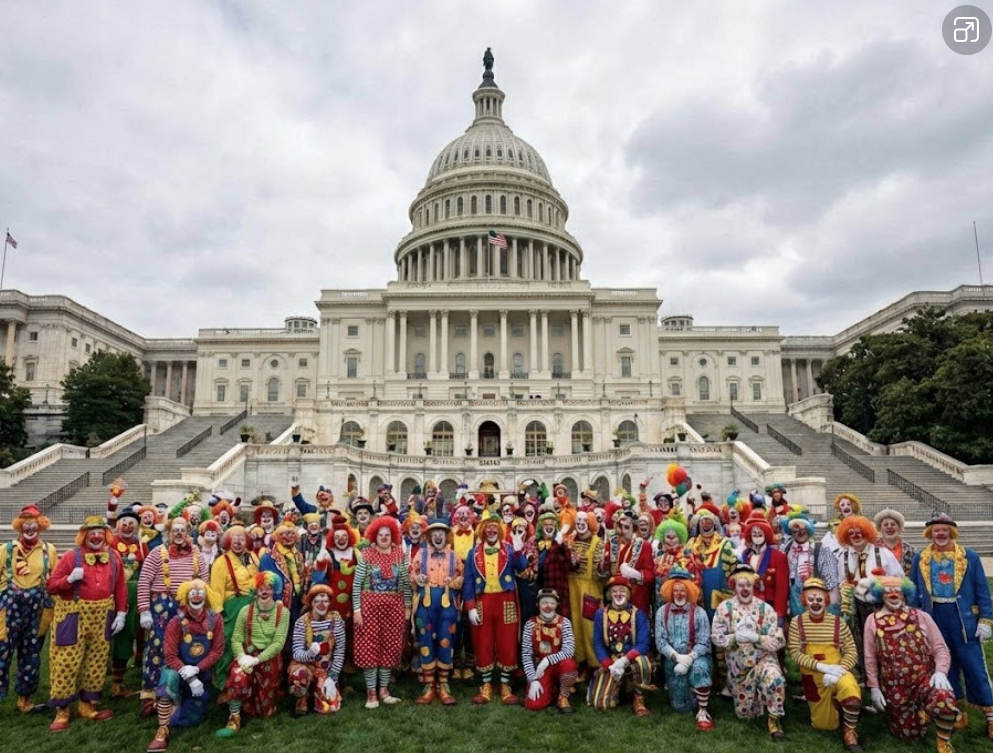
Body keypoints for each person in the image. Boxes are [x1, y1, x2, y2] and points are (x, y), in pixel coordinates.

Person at [910, 512, 993, 738]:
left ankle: (990, 714)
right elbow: (914, 589)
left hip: (962, 618)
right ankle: (955, 710)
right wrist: (916, 618)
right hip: (934, 617)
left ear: (952, 532)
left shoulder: (969, 556)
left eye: (944, 530)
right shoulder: (920, 557)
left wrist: (985, 619)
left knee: (974, 665)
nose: (940, 534)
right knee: (944, 664)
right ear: (930, 533)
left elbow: (982, 589)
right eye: (936, 530)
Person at [46, 516, 128, 732]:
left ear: (106, 535)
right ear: (84, 536)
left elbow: (120, 587)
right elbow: (51, 586)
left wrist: (121, 613)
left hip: (102, 616)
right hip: (73, 615)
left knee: (97, 661)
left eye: (100, 532)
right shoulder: (71, 557)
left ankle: (87, 705)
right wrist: (69, 580)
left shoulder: (114, 557)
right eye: (92, 533)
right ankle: (62, 709)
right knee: (65, 661)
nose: (97, 536)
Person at [864, 576, 960, 753]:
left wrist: (940, 672)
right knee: (908, 735)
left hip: (924, 680)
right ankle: (931, 714)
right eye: (888, 591)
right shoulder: (872, 620)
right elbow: (869, 658)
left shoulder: (921, 617)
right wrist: (874, 688)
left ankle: (943, 741)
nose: (894, 595)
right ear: (880, 595)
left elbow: (940, 648)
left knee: (944, 699)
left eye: (898, 591)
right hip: (895, 688)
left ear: (905, 594)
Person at [137, 515, 209, 716]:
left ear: (188, 533)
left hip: (188, 607)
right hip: (162, 607)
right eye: (174, 530)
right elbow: (144, 581)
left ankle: (180, 692)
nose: (178, 534)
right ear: (168, 533)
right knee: (157, 649)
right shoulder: (156, 553)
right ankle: (151, 695)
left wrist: (203, 607)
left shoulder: (197, 554)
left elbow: (204, 582)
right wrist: (144, 610)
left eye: (182, 530)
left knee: (185, 649)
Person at [711, 563, 787, 740]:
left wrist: (757, 638)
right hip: (739, 669)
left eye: (748, 585)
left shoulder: (765, 609)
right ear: (734, 586)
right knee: (746, 715)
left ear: (754, 585)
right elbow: (716, 637)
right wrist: (735, 637)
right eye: (740, 585)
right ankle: (756, 697)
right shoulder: (724, 608)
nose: (745, 589)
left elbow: (778, 639)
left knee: (774, 679)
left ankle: (774, 720)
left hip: (763, 660)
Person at [147, 579, 224, 752]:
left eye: (201, 593)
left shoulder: (215, 620)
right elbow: (170, 656)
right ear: (185, 597)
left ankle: (164, 708)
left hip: (201, 677)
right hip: (179, 673)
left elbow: (217, 651)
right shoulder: (176, 622)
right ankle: (163, 729)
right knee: (168, 676)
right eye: (193, 593)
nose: (197, 597)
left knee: (192, 720)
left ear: (206, 596)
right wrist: (188, 676)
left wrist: (197, 669)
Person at [787, 578, 862, 752]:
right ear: (805, 600)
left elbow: (852, 652)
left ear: (826, 601)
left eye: (819, 599)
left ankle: (850, 731)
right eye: (811, 599)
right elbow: (795, 654)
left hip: (838, 671)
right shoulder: (797, 623)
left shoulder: (838, 622)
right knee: (824, 725)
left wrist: (838, 670)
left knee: (851, 690)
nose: (815, 603)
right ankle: (836, 704)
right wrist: (822, 667)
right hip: (813, 677)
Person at [462, 511, 529, 705]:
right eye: (488, 527)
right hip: (483, 602)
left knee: (507, 641)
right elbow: (468, 582)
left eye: (494, 527)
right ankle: (486, 685)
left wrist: (519, 550)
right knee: (483, 641)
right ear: (482, 530)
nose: (491, 530)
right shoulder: (473, 552)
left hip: (506, 601)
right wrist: (470, 606)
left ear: (499, 530)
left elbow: (522, 568)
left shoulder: (509, 548)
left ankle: (505, 685)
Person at [217, 571, 290, 737]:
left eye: (268, 588)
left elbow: (278, 644)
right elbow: (236, 638)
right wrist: (242, 657)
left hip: (269, 660)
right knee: (237, 676)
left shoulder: (283, 613)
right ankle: (234, 718)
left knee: (265, 713)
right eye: (260, 588)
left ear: (274, 590)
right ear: (255, 590)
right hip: (246, 656)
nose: (264, 591)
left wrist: (257, 660)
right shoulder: (245, 611)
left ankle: (261, 702)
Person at [0, 504, 57, 714]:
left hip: (36, 611)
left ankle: (24, 699)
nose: (30, 529)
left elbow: (54, 579)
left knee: (31, 655)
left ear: (40, 526)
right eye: (26, 525)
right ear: (19, 527)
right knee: (1, 653)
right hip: (8, 610)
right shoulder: (6, 549)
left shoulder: (49, 550)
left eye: (34, 525)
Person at [351, 515, 411, 708]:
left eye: (387, 535)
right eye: (380, 535)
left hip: (394, 608)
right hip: (369, 609)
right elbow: (357, 585)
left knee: (389, 647)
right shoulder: (366, 555)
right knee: (369, 647)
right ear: (374, 536)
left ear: (392, 536)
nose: (384, 538)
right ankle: (371, 693)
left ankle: (384, 691)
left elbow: (405, 583)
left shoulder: (399, 555)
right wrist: (357, 610)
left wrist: (407, 606)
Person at [835, 515, 902, 681]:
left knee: (885, 643)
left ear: (867, 533)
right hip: (857, 608)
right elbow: (841, 582)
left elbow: (899, 579)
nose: (856, 536)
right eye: (851, 533)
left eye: (859, 532)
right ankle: (868, 679)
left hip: (881, 606)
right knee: (862, 644)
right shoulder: (843, 556)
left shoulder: (883, 553)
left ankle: (890, 678)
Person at [410, 518, 464, 705]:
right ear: (430, 536)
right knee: (425, 638)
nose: (438, 536)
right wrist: (418, 577)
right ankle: (429, 684)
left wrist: (453, 581)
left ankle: (443, 683)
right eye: (435, 533)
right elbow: (412, 573)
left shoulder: (454, 556)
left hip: (447, 603)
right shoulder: (421, 554)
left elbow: (461, 577)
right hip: (425, 603)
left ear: (446, 535)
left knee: (445, 638)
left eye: (441, 533)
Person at [655, 565, 714, 730]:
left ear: (689, 591)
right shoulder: (662, 612)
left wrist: (689, 659)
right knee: (681, 708)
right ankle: (688, 694)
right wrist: (677, 657)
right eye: (676, 590)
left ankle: (703, 711)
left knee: (699, 669)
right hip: (673, 660)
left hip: (696, 658)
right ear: (670, 591)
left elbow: (704, 642)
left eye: (683, 590)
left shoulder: (700, 612)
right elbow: (660, 641)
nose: (679, 594)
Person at [587, 574, 655, 716]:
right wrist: (608, 664)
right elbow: (598, 643)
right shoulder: (600, 614)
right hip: (611, 661)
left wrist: (624, 660)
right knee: (600, 703)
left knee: (643, 662)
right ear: (609, 594)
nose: (618, 594)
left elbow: (643, 644)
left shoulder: (638, 614)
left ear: (628, 594)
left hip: (631, 660)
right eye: (614, 591)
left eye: (622, 591)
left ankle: (638, 698)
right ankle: (619, 689)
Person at [209, 524, 259, 693]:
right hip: (232, 608)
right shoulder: (221, 562)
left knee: (251, 643)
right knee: (229, 642)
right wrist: (218, 612)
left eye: (241, 539)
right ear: (228, 542)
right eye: (234, 539)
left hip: (254, 604)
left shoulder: (252, 557)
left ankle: (249, 680)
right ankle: (224, 681)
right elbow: (216, 590)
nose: (238, 542)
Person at [288, 583, 346, 716]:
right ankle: (301, 699)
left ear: (329, 603)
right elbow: (296, 653)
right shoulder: (302, 622)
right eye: (318, 601)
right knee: (299, 675)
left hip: (325, 670)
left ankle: (319, 692)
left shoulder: (336, 620)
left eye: (325, 601)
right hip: (307, 666)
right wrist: (310, 653)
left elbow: (340, 651)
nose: (322, 604)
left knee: (329, 708)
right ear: (311, 602)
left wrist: (333, 677)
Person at [108, 507, 147, 698]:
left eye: (132, 524)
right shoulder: (110, 542)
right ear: (118, 526)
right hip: (112, 595)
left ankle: (119, 681)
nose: (128, 526)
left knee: (130, 634)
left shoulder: (141, 546)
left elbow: (147, 569)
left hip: (135, 595)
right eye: (124, 523)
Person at [522, 588, 578, 713]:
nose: (548, 606)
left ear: (557, 604)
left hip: (558, 665)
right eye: (544, 603)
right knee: (534, 705)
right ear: (538, 605)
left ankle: (563, 696)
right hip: (539, 670)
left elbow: (569, 650)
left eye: (552, 603)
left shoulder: (565, 622)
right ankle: (551, 689)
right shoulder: (530, 625)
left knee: (569, 664)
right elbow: (526, 655)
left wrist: (547, 660)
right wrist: (533, 680)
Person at [567, 510, 604, 679]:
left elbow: (601, 571)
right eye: (578, 520)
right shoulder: (570, 540)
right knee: (575, 627)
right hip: (572, 588)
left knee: (590, 627)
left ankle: (594, 664)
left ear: (590, 523)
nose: (581, 523)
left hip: (590, 589)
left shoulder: (597, 542)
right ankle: (579, 661)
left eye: (584, 520)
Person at [781, 510, 839, 617]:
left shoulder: (821, 549)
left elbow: (832, 582)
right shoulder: (785, 550)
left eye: (803, 529)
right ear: (791, 532)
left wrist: (832, 612)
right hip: (793, 604)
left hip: (816, 601)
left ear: (808, 530)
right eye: (795, 530)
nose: (800, 533)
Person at [600, 510, 654, 615]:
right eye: (620, 526)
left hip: (635, 599)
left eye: (627, 527)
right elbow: (603, 573)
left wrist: (636, 574)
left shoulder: (644, 546)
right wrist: (602, 565)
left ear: (634, 528)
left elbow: (650, 575)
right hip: (614, 599)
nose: (622, 531)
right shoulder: (610, 544)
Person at [741, 517, 789, 624]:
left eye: (760, 534)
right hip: (749, 603)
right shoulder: (746, 555)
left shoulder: (778, 556)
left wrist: (779, 612)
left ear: (766, 535)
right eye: (754, 534)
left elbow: (782, 588)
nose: (757, 536)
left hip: (769, 604)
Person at [259, 519, 305, 626]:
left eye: (292, 533)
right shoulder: (269, 558)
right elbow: (267, 585)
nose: (289, 537)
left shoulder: (298, 556)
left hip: (296, 605)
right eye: (285, 534)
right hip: (277, 607)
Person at [535, 511, 571, 619]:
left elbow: (570, 561)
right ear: (541, 527)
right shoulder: (536, 543)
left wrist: (558, 543)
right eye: (545, 525)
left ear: (555, 527)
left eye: (551, 524)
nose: (548, 527)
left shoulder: (561, 544)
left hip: (557, 588)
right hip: (540, 588)